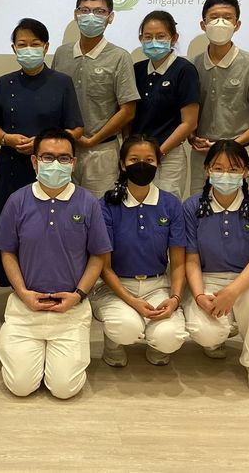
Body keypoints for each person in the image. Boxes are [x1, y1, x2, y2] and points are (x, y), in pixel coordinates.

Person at [0, 128, 111, 399]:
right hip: (25, 307)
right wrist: (22, 293)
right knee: (20, 387)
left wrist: (78, 295)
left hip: (70, 309)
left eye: (64, 158)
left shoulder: (88, 202)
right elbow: (7, 252)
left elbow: (98, 256)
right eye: (47, 157)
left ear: (74, 163)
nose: (55, 164)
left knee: (64, 389)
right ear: (34, 162)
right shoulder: (17, 200)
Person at [182, 140, 249, 393]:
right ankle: (220, 336)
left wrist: (232, 292)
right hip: (207, 278)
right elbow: (190, 257)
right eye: (219, 168)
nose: (226, 175)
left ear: (246, 172)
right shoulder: (192, 207)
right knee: (205, 333)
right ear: (207, 170)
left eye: (235, 169)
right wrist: (200, 295)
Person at [94, 134, 188, 368]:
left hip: (158, 285)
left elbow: (177, 263)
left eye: (149, 159)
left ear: (158, 163)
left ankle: (156, 342)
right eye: (134, 159)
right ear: (122, 164)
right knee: (126, 329)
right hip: (115, 286)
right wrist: (132, 301)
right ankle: (114, 343)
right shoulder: (106, 205)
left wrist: (175, 299)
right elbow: (103, 267)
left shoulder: (171, 204)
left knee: (170, 338)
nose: (142, 165)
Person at [0, 18, 84, 211]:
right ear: (14, 48)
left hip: (50, 166)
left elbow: (77, 129)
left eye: (35, 44)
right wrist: (7, 139)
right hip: (11, 165)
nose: (28, 49)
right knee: (9, 223)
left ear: (46, 47)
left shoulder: (62, 83)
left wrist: (43, 145)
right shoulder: (4, 83)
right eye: (22, 45)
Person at [52, 0, 140, 197]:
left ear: (110, 18)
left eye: (99, 11)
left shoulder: (120, 57)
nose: (91, 16)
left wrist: (92, 140)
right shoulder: (62, 53)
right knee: (63, 209)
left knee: (100, 214)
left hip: (102, 151)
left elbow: (128, 110)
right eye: (85, 10)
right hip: (63, 149)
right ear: (76, 14)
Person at [189, 0, 249, 195]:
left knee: (239, 212)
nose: (220, 22)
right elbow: (189, 113)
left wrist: (232, 145)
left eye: (227, 17)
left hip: (238, 154)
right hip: (202, 156)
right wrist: (192, 137)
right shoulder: (193, 65)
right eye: (214, 17)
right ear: (203, 25)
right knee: (199, 208)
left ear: (237, 25)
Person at [128, 10, 200, 198]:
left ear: (174, 38)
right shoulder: (137, 70)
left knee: (166, 209)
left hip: (168, 156)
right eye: (148, 37)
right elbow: (129, 113)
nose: (154, 42)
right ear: (140, 39)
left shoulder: (184, 70)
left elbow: (189, 122)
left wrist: (159, 153)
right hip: (136, 155)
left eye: (161, 37)